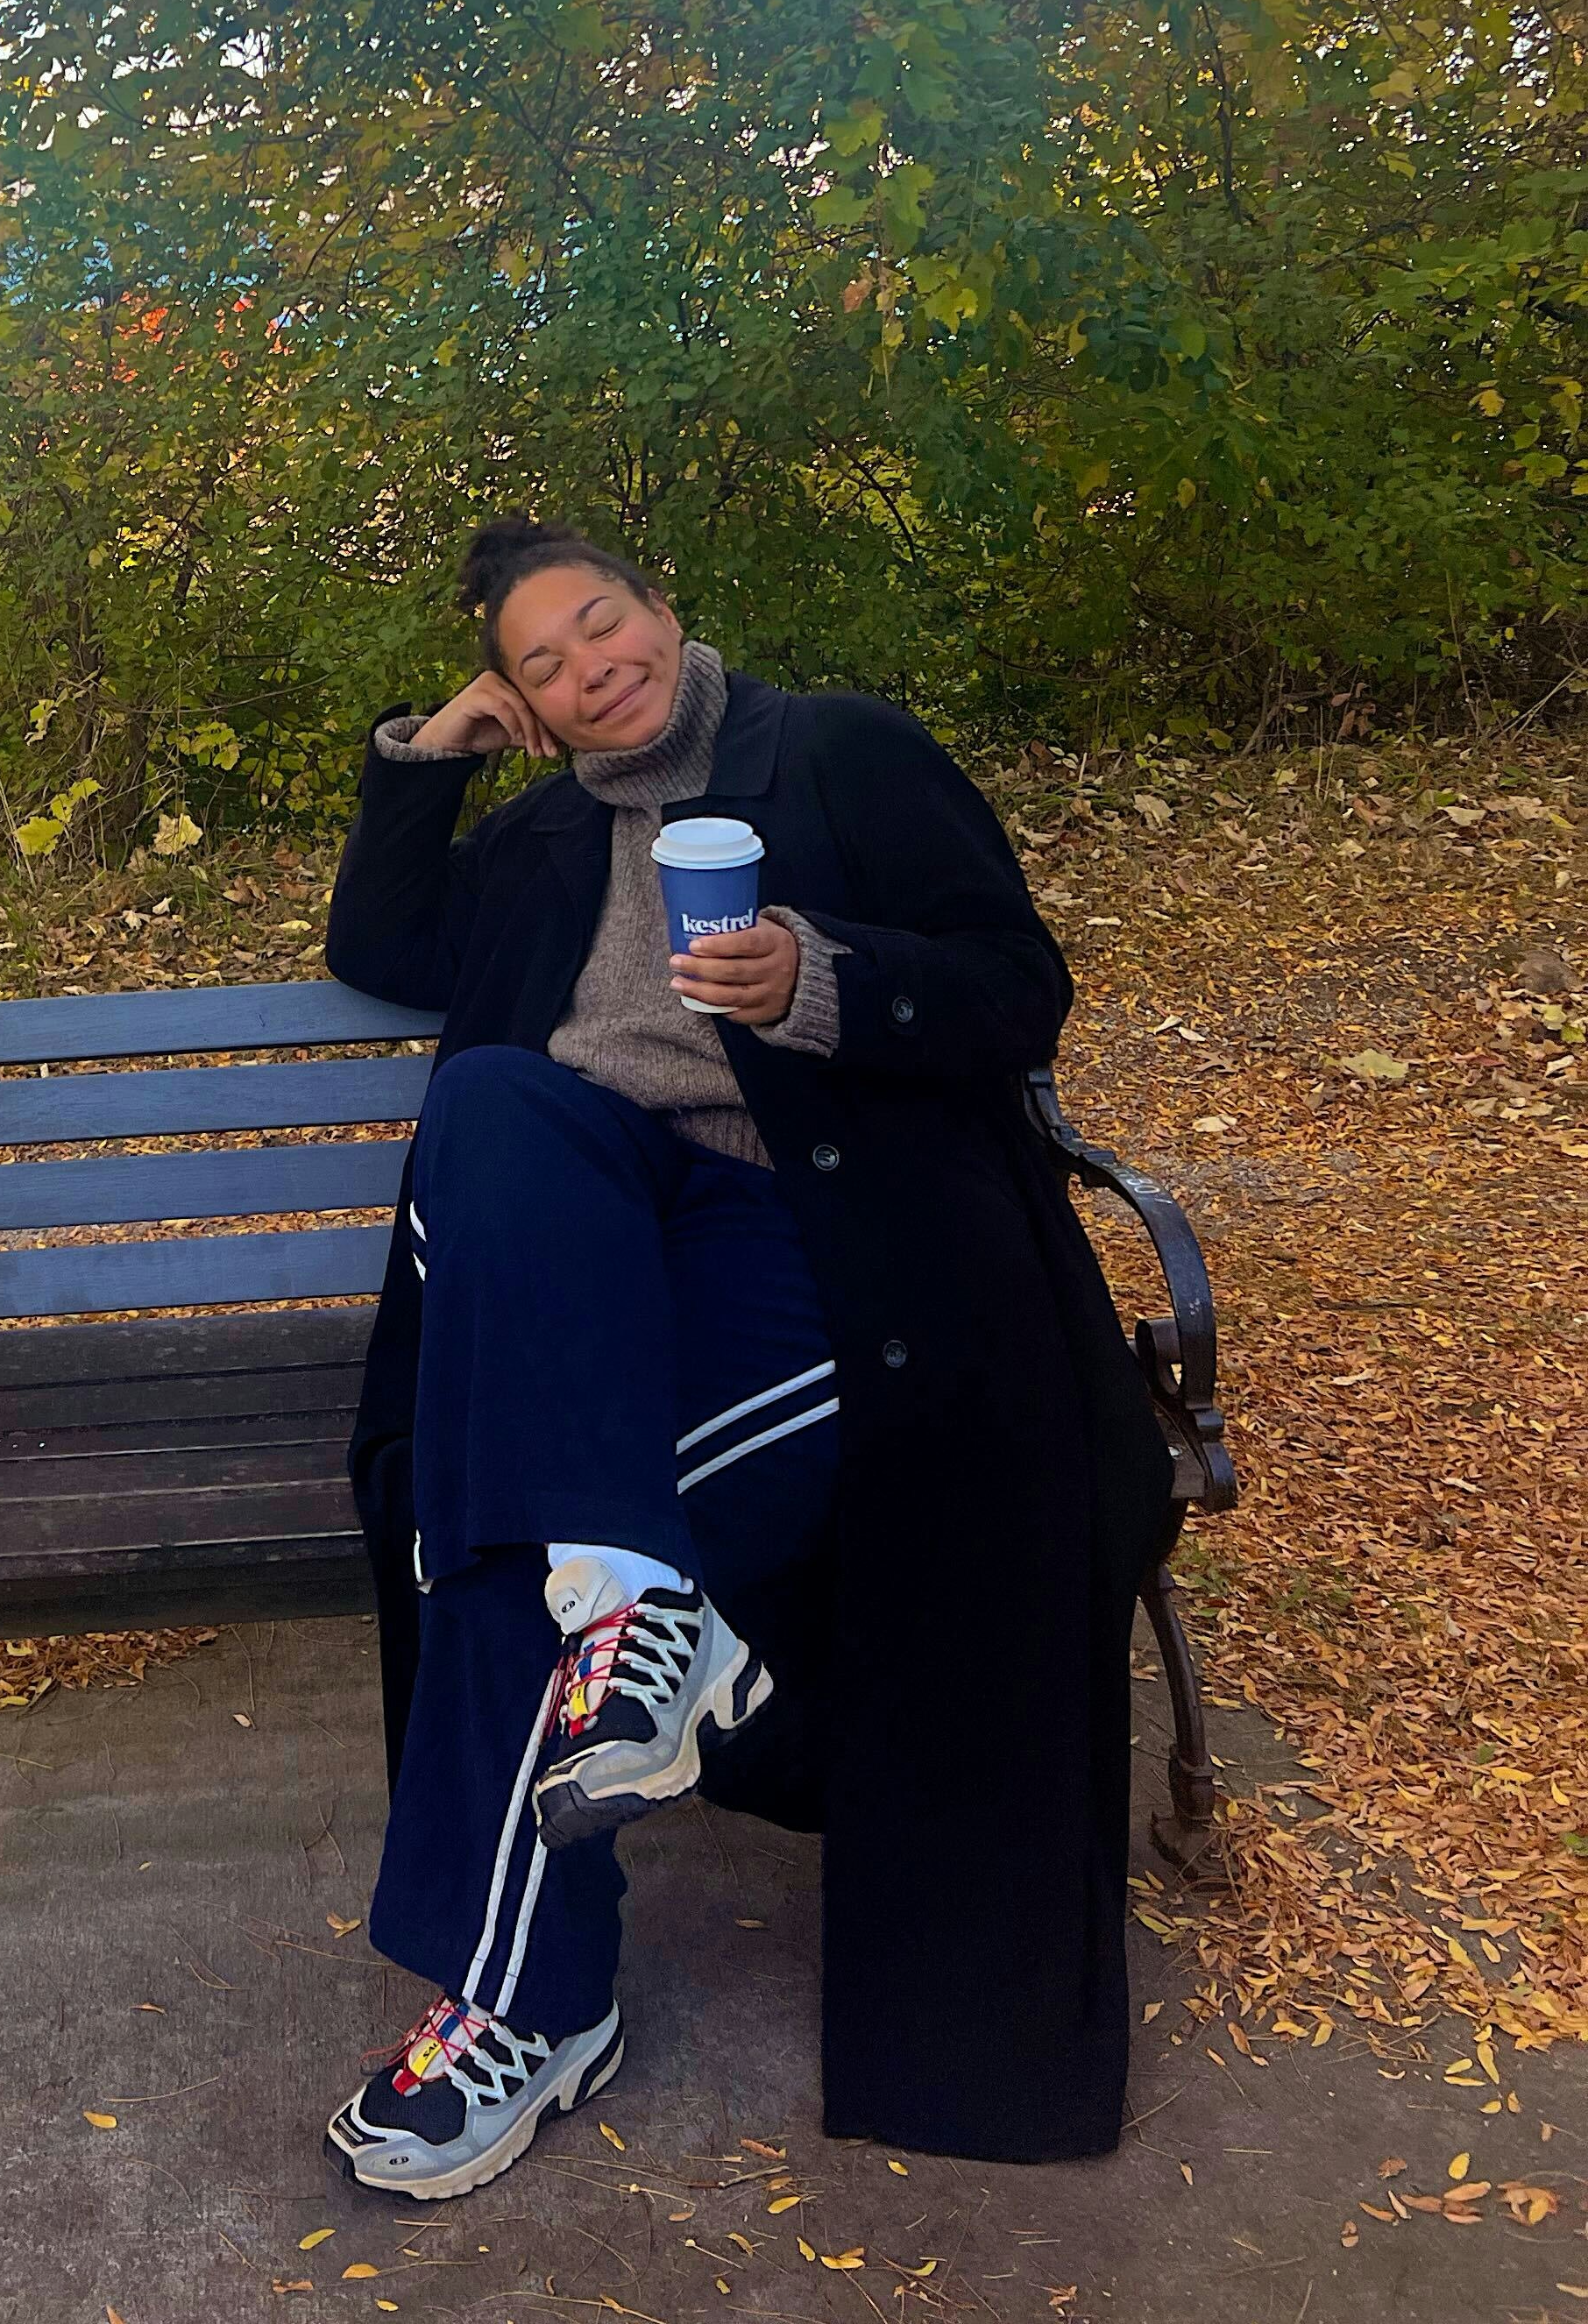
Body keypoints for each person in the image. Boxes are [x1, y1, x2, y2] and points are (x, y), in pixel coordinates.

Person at [319, 518, 1173, 2199]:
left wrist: (819, 985)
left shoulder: (838, 749)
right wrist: (427, 760)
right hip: (613, 1275)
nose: (587, 669)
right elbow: (382, 948)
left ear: (666, 606)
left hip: (838, 1262)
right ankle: (641, 1617)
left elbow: (1020, 985)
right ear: (530, 703)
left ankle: (520, 2006)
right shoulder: (547, 842)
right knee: (492, 1101)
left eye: (602, 625)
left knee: (502, 1536)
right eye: (544, 663)